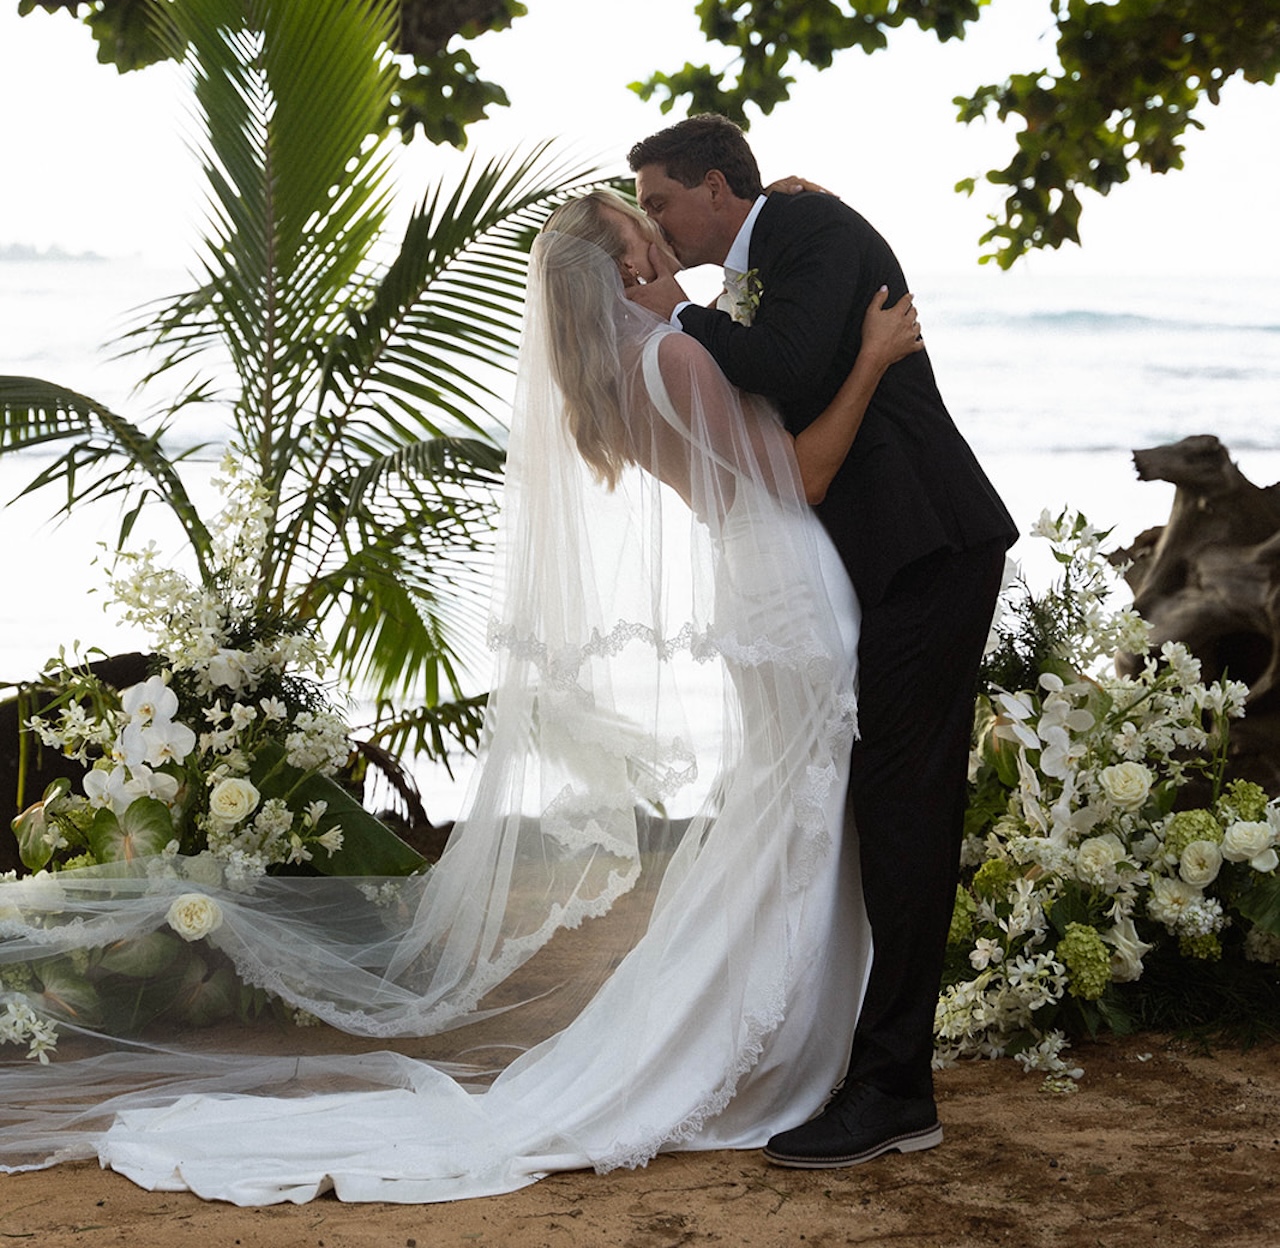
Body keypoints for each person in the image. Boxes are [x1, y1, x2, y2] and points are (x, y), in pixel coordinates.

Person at [0, 190, 921, 1205]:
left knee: (785, 822)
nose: (659, 241)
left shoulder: (616, 375)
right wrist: (872, 357)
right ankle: (754, 1052)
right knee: (794, 826)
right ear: (623, 270)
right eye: (641, 232)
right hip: (787, 590)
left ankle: (782, 1040)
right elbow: (802, 473)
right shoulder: (675, 358)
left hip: (756, 588)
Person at [626, 117, 1017, 1169]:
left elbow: (785, 359)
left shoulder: (807, 227)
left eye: (660, 200)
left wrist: (683, 315)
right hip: (875, 559)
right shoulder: (773, 249)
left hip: (925, 545)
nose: (654, 223)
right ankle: (868, 1063)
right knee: (878, 804)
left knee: (903, 803)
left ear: (716, 187)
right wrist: (705, 315)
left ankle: (893, 1087)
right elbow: (779, 374)